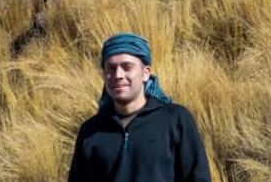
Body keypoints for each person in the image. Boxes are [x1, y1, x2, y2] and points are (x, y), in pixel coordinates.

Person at [68, 33, 211, 182]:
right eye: (110, 68)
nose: (118, 75)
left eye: (127, 67)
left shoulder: (175, 120)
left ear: (145, 73)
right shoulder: (91, 130)